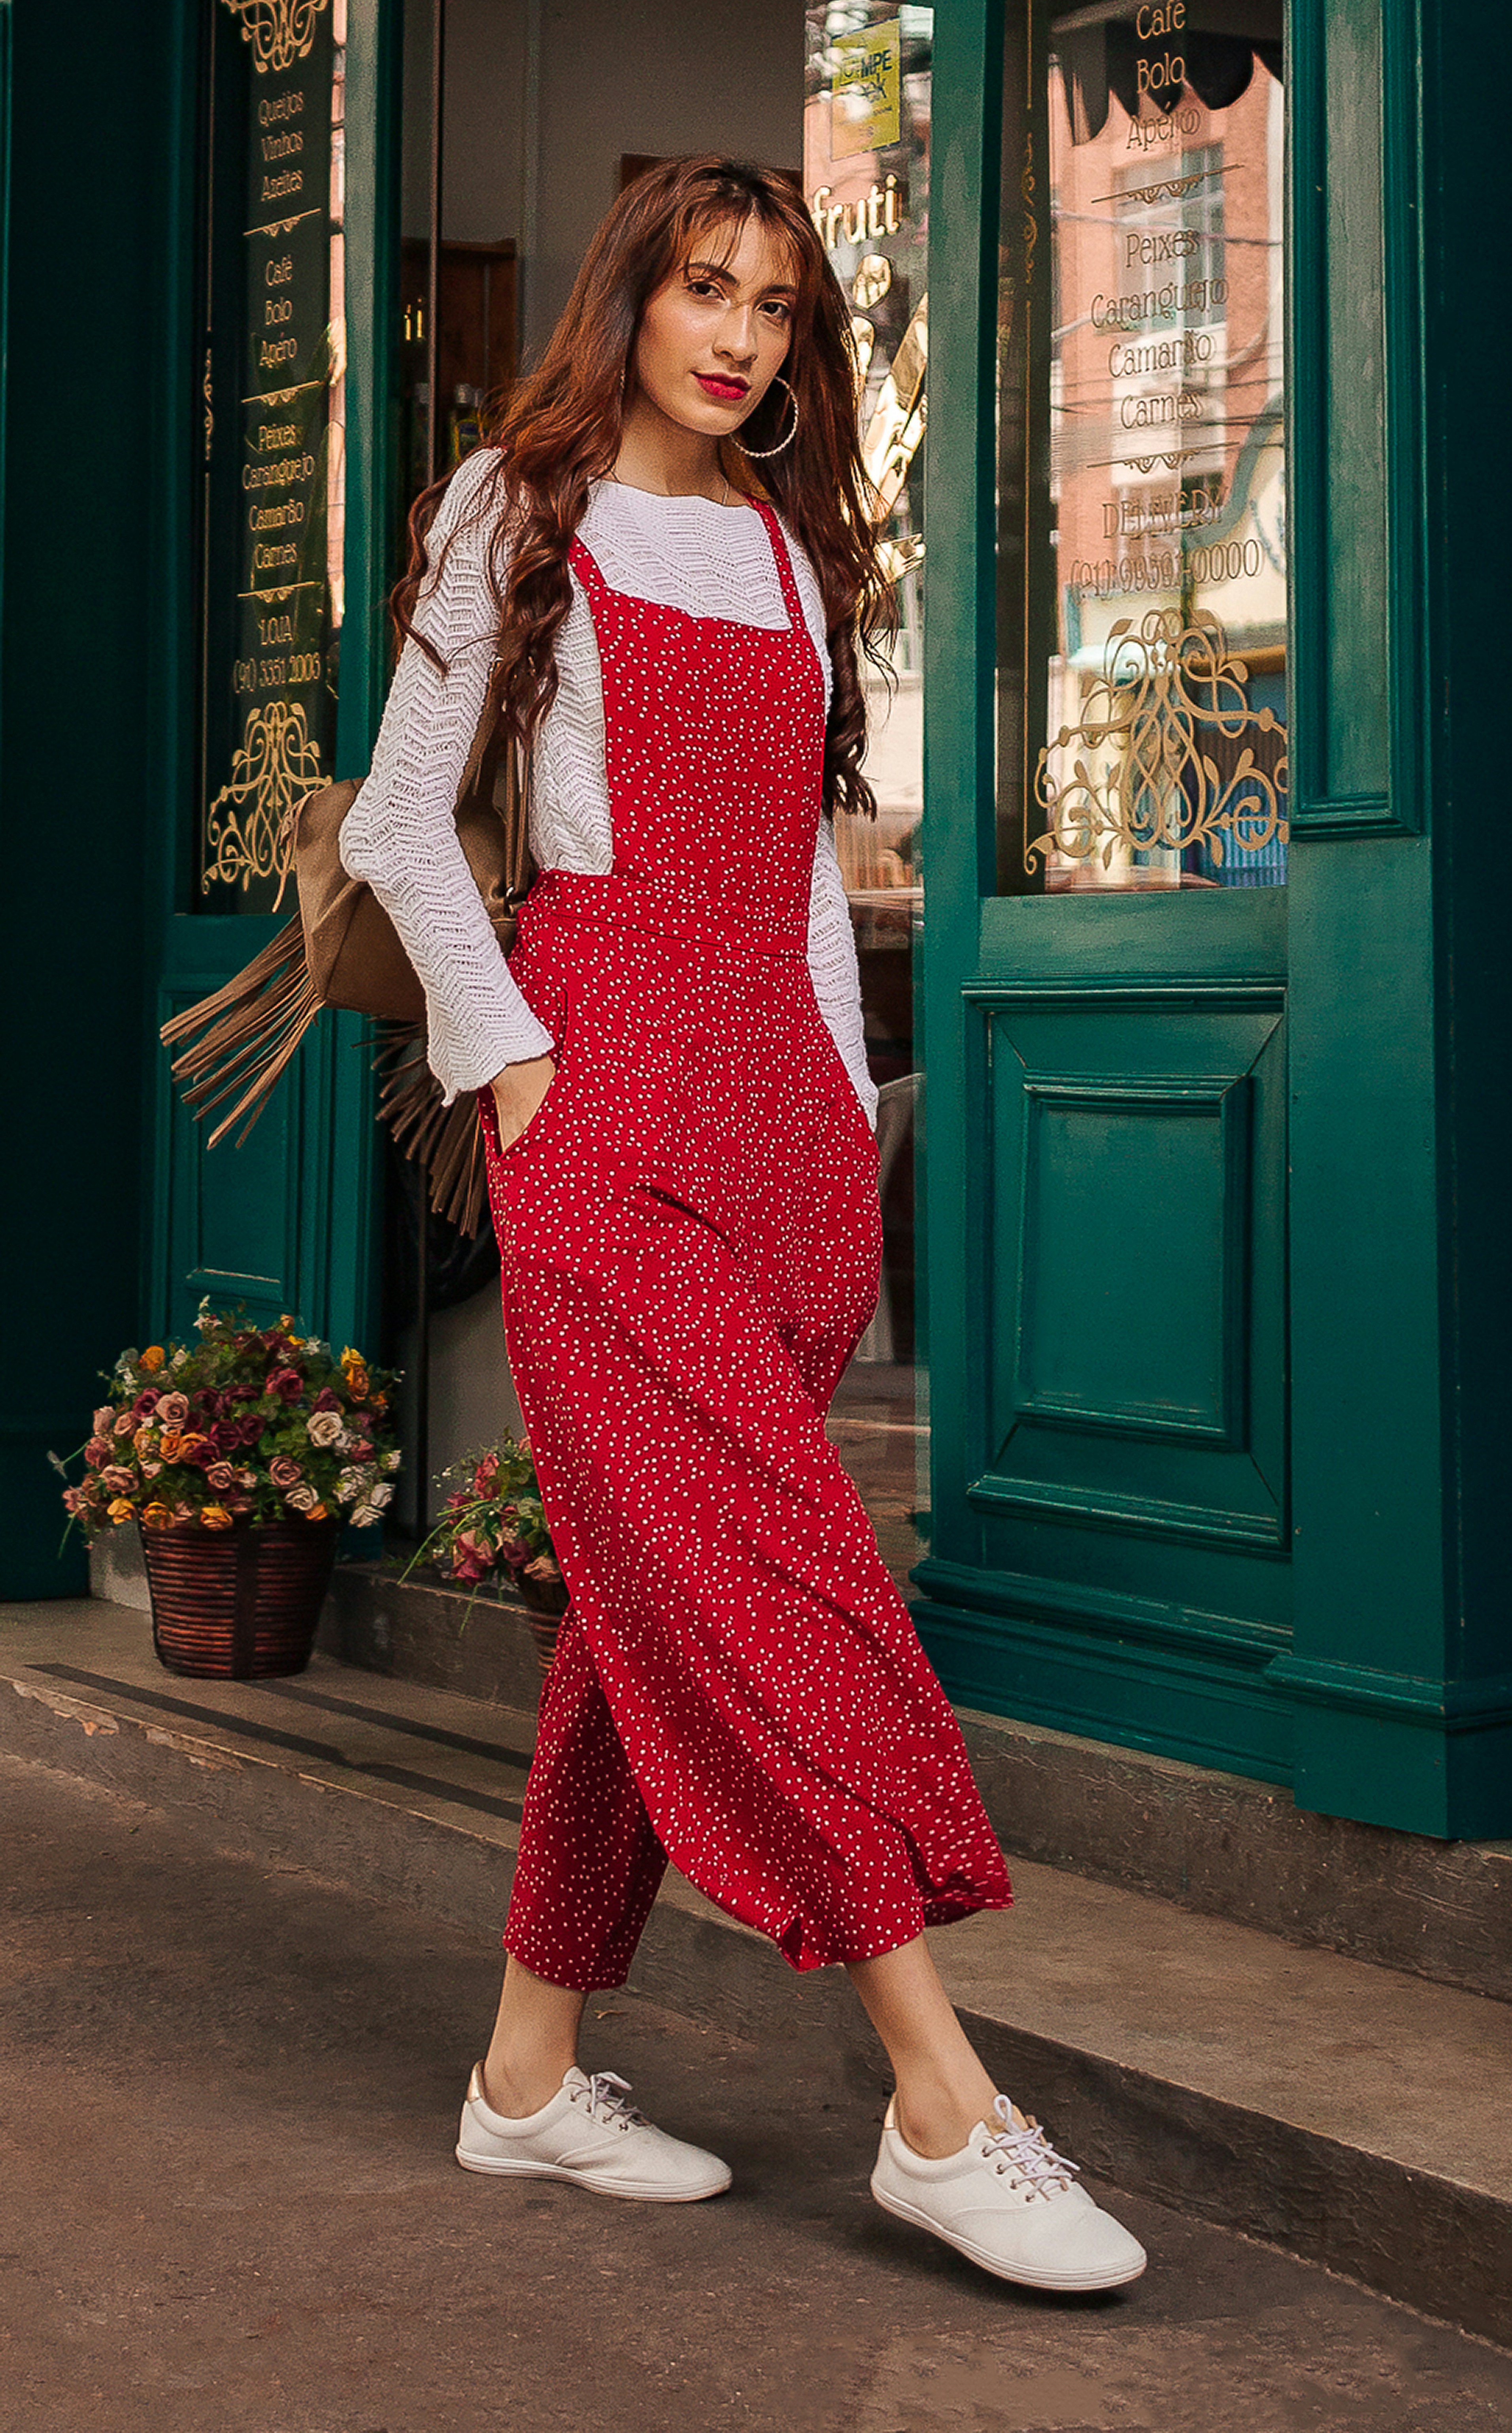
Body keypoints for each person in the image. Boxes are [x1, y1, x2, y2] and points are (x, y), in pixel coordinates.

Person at [342, 156, 1144, 2293]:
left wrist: (835, 1134)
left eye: (777, 310)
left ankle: (525, 2079)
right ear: (632, 294)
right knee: (776, 1573)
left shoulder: (786, 554)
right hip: (594, 1090)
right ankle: (942, 2105)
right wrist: (511, 1051)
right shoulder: (508, 512)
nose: (739, 337)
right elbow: (395, 822)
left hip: (776, 1115)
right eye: (707, 291)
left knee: (645, 1607)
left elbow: (799, 875)